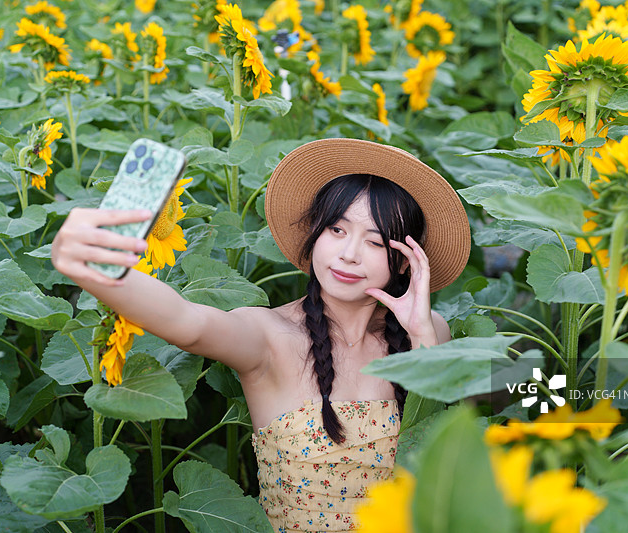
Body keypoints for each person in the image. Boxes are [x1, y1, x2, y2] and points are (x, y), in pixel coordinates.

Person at [50, 137, 470, 532]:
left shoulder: (428, 334)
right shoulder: (269, 335)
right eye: (336, 230)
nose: (348, 253)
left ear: (404, 262)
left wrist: (421, 337)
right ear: (315, 233)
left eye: (375, 242)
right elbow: (188, 324)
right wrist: (96, 270)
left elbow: (446, 455)